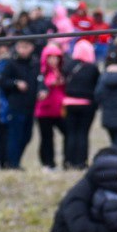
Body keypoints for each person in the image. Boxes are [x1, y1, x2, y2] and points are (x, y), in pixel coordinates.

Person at [0, 38, 39, 169]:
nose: (23, 50)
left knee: (27, 136)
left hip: (31, 106)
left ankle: (16, 160)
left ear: (31, 47)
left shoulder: (35, 63)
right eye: (21, 47)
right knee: (15, 135)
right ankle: (12, 163)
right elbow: (2, 81)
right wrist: (15, 83)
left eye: (26, 46)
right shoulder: (11, 64)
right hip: (16, 105)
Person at [61, 39, 100, 169]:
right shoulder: (93, 68)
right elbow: (97, 87)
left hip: (69, 103)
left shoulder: (68, 66)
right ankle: (81, 162)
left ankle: (68, 161)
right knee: (83, 133)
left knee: (70, 133)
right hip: (87, 104)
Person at [33, 42, 67, 171]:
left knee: (68, 132)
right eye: (50, 57)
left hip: (60, 110)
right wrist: (47, 86)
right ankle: (48, 163)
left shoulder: (62, 71)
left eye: (56, 57)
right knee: (47, 138)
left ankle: (66, 160)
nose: (54, 60)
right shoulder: (40, 73)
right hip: (44, 111)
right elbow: (37, 91)